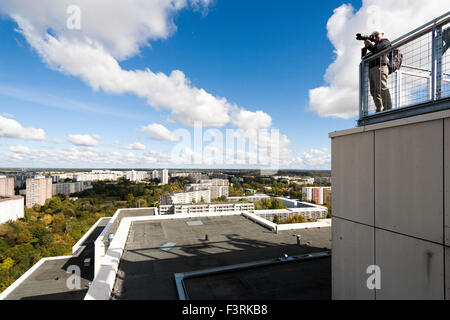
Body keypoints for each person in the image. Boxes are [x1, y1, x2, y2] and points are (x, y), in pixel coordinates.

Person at [364, 30, 393, 112]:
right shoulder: (373, 46)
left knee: (382, 88)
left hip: (380, 67)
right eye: (373, 35)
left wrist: (370, 45)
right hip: (372, 68)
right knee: (373, 91)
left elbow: (377, 50)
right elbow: (363, 57)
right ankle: (379, 109)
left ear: (382, 34)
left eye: (376, 35)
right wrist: (366, 46)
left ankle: (388, 108)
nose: (374, 37)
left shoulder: (385, 41)